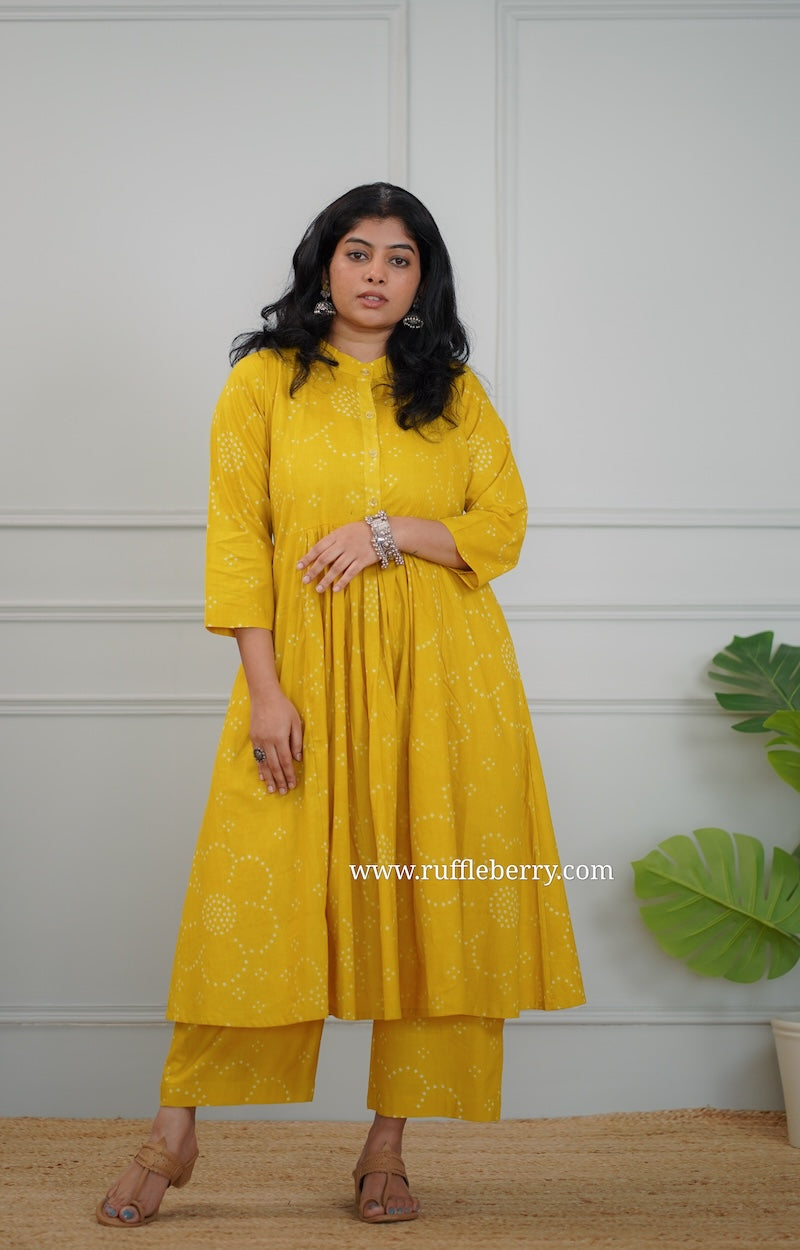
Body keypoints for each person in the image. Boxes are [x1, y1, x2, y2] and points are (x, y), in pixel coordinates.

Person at [97, 182, 585, 1228]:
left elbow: (501, 523)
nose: (376, 273)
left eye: (400, 258)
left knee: (424, 896)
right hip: (303, 679)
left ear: (422, 279)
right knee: (254, 895)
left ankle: (386, 1145)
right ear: (324, 262)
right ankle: (174, 1128)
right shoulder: (263, 382)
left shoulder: (451, 392)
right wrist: (264, 690)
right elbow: (238, 538)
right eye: (358, 251)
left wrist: (387, 532)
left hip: (443, 681)